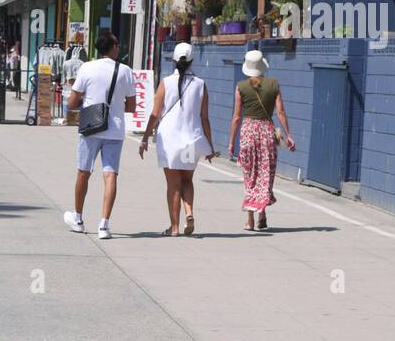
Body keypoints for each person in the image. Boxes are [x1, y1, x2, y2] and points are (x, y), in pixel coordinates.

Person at [63, 30, 136, 241]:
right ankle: (104, 225)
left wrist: (90, 100)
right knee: (110, 175)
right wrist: (113, 105)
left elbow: (72, 103)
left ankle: (77, 219)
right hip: (115, 129)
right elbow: (131, 106)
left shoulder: (86, 68)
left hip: (90, 127)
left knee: (83, 172)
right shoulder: (125, 71)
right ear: (113, 48)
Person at [139, 43, 216, 237]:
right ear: (191, 61)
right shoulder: (201, 84)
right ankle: (189, 212)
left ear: (174, 60)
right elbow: (205, 117)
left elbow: (155, 113)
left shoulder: (166, 82)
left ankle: (174, 228)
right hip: (190, 139)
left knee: (173, 184)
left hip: (169, 141)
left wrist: (146, 137)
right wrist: (210, 146)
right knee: (187, 180)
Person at [228, 50, 296, 231]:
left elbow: (236, 117)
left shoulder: (240, 87)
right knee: (265, 174)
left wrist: (231, 141)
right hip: (266, 132)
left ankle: (250, 219)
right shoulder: (274, 85)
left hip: (248, 132)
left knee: (249, 175)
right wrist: (288, 135)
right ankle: (262, 214)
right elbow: (280, 112)